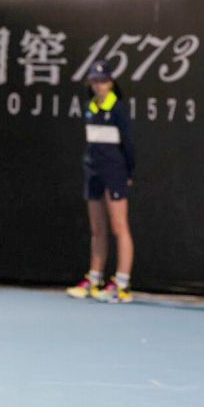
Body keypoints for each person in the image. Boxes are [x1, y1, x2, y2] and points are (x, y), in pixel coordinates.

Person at [67, 60, 135, 304]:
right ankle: (95, 279)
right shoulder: (89, 107)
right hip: (93, 172)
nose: (99, 86)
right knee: (97, 228)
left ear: (111, 82)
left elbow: (129, 144)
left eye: (103, 81)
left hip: (115, 172)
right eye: (95, 81)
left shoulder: (118, 108)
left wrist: (129, 172)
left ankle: (122, 283)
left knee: (119, 226)